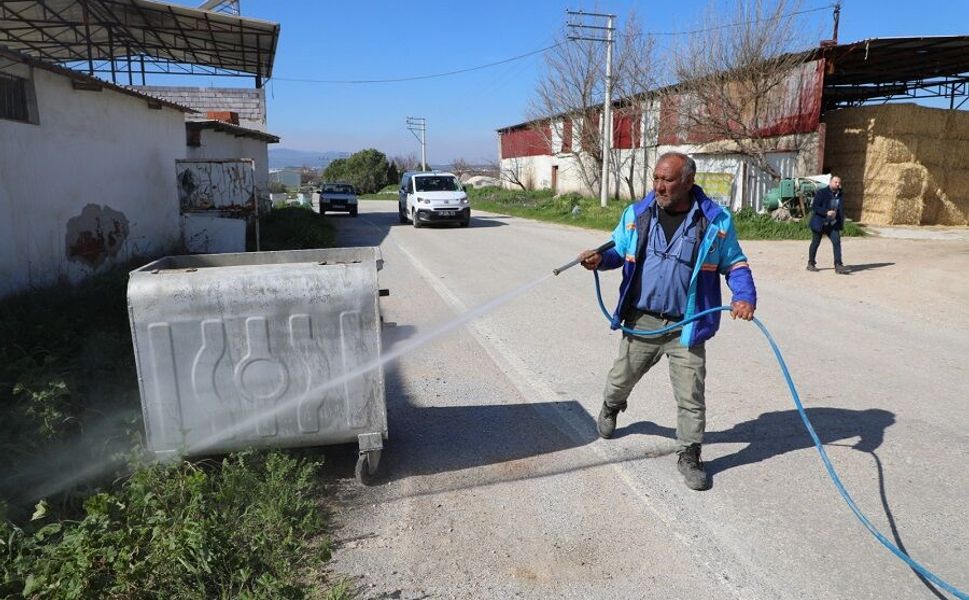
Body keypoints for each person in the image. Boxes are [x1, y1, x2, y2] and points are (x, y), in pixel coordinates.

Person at [578, 152, 757, 491]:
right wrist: (600, 259)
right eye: (656, 178)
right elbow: (619, 251)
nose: (659, 186)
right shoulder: (637, 214)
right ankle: (612, 405)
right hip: (642, 320)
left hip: (687, 326)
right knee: (620, 378)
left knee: (691, 396)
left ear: (688, 181)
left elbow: (735, 264)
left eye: (667, 179)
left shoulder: (716, 221)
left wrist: (744, 296)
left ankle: (689, 453)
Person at [807, 176, 849, 274]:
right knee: (815, 243)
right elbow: (815, 207)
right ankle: (811, 263)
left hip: (832, 224)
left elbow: (840, 209)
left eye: (839, 183)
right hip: (820, 223)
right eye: (835, 182)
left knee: (837, 242)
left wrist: (840, 223)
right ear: (830, 182)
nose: (837, 184)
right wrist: (826, 212)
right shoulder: (822, 192)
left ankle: (838, 265)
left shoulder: (840, 194)